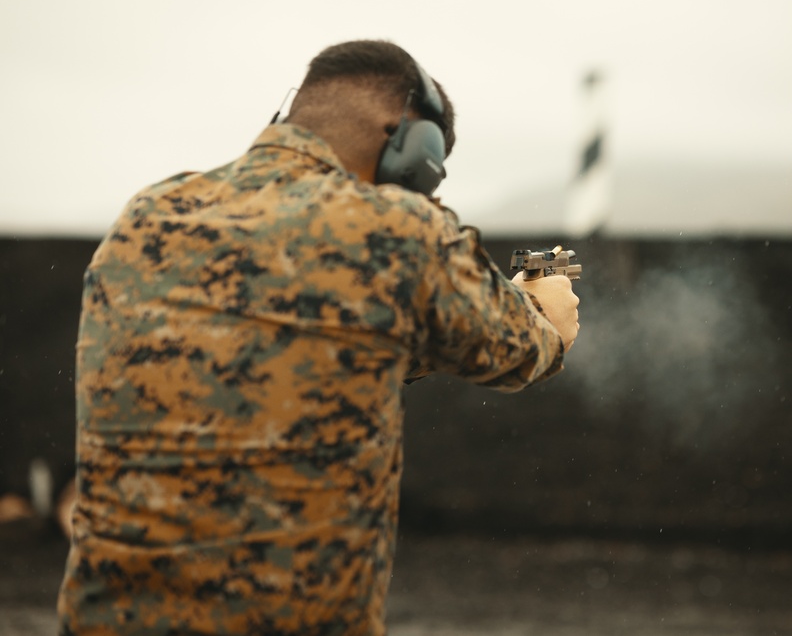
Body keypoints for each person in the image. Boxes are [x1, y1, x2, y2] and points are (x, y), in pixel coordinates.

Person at [57, 39, 579, 636]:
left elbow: (309, 346)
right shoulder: (399, 229)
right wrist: (546, 309)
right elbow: (520, 353)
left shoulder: (144, 218)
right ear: (408, 144)